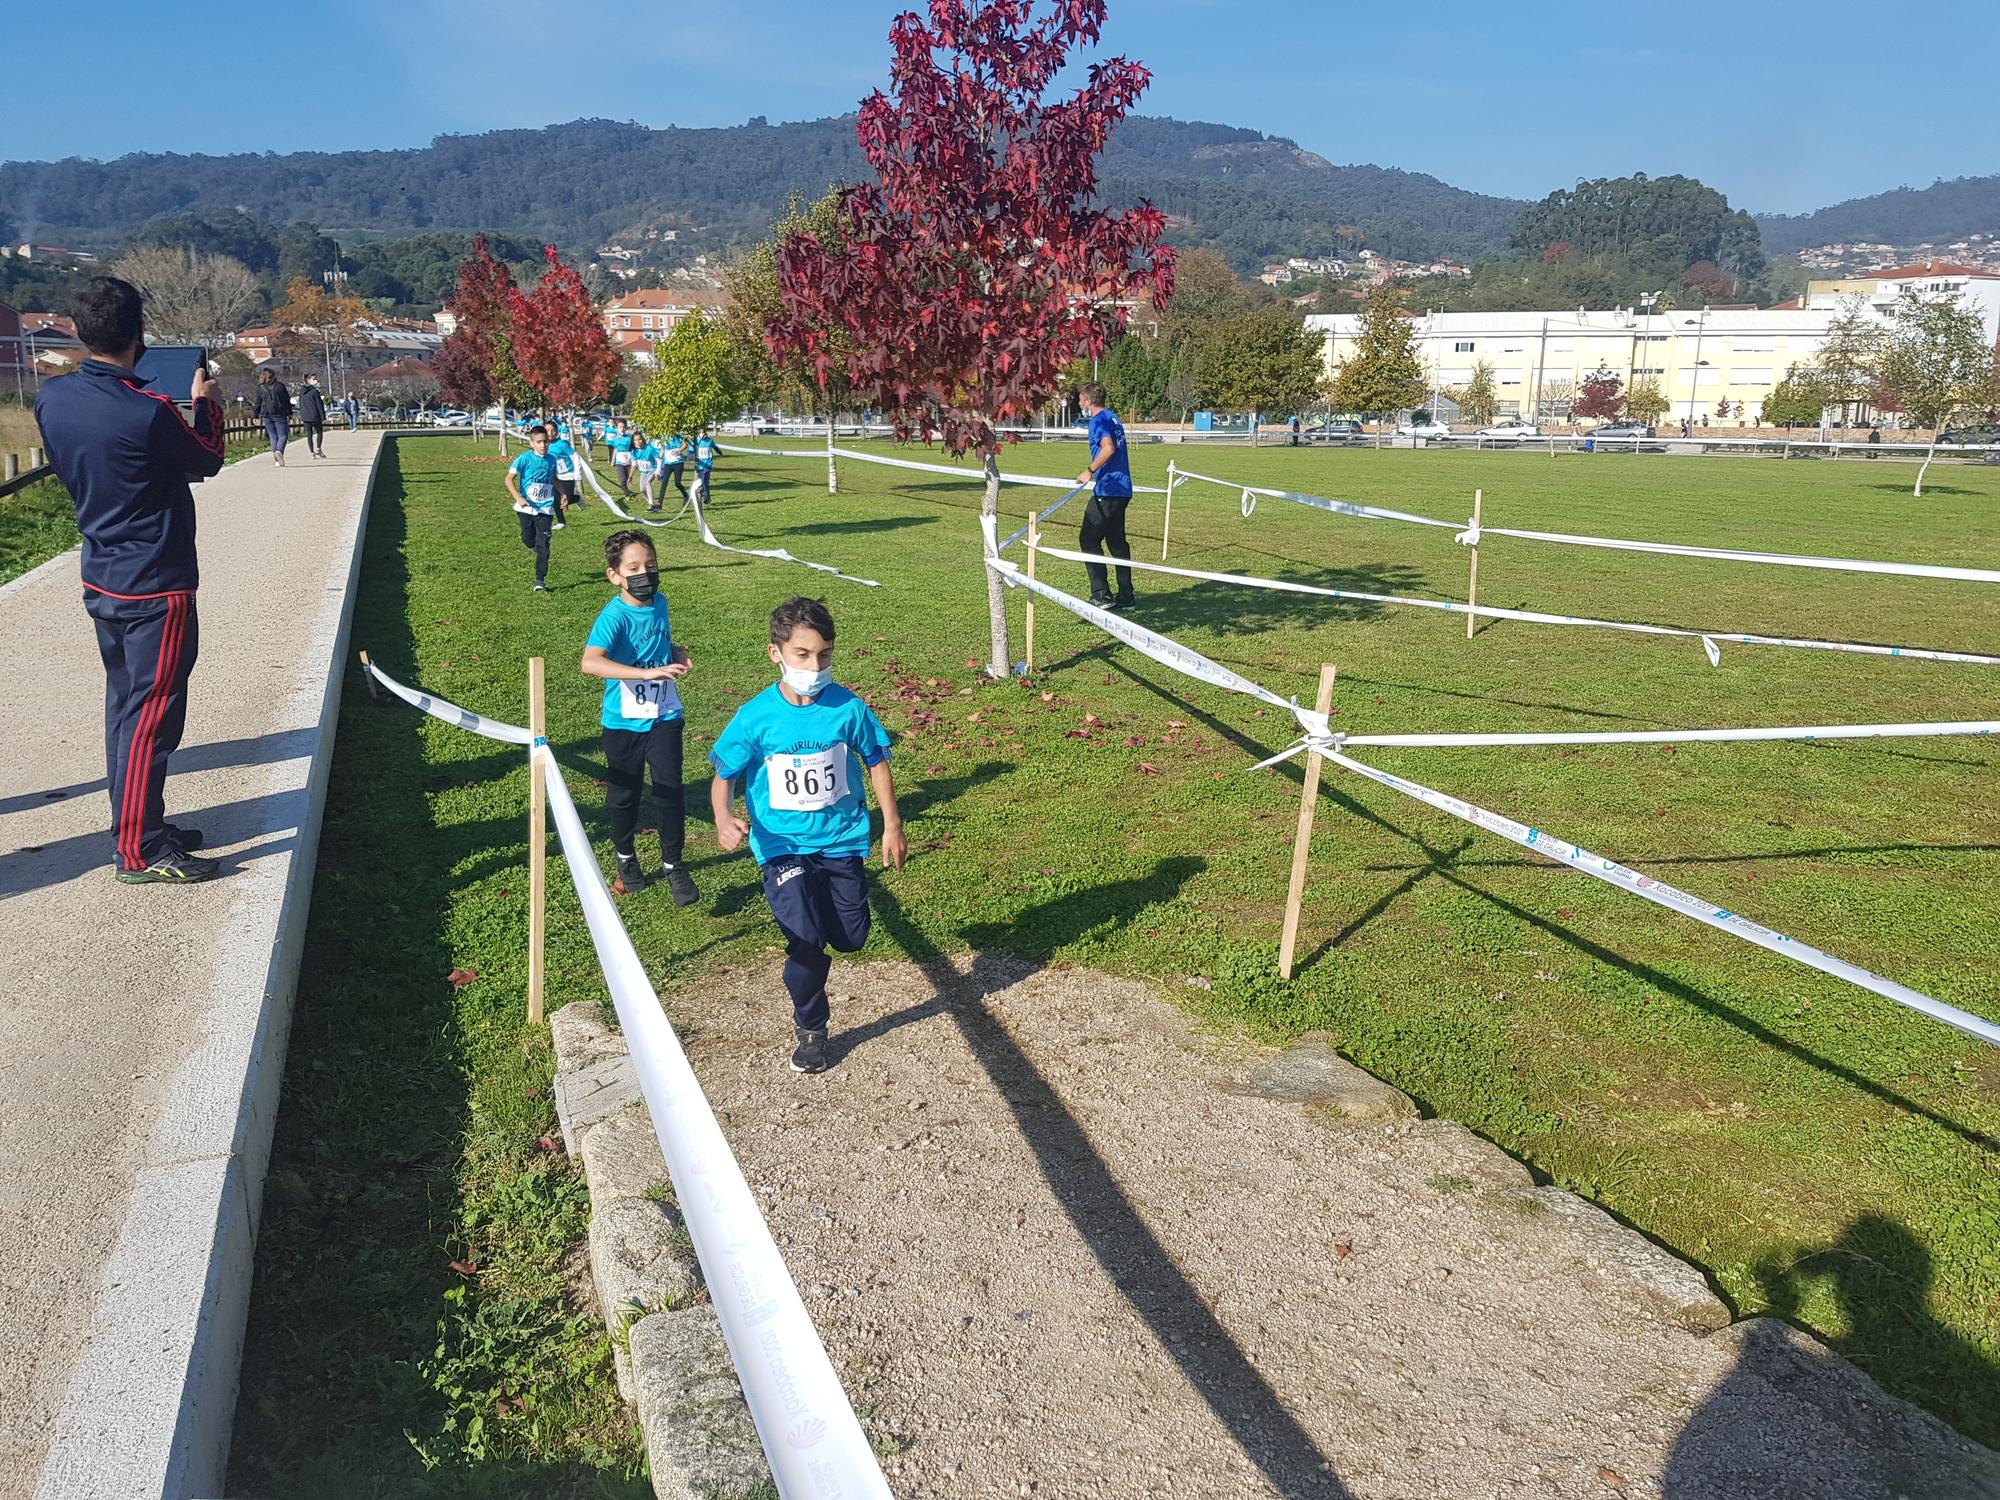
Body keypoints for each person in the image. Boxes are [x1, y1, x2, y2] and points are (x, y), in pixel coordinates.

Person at [34, 275, 227, 883]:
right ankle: (139, 848)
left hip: (104, 572)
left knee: (125, 707)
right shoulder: (149, 412)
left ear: (79, 330)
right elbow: (208, 457)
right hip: (157, 580)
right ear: (138, 334)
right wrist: (209, 401)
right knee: (153, 717)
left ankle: (139, 822)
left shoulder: (53, 397)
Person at [709, 596, 906, 1074]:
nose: (815, 666)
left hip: (841, 839)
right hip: (781, 845)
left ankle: (818, 941)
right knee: (805, 939)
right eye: (803, 654)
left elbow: (876, 762)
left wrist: (892, 825)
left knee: (851, 938)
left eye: (824, 655)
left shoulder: (848, 708)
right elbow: (724, 774)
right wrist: (723, 817)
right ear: (775, 652)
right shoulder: (756, 716)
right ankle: (812, 1029)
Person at [582, 530, 698, 903]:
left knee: (669, 790)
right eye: (633, 568)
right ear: (614, 575)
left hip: (664, 714)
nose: (644, 574)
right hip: (623, 721)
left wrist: (675, 653)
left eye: (650, 565)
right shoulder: (613, 616)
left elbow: (658, 642)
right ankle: (626, 857)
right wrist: (645, 674)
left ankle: (674, 865)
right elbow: (591, 662)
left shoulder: (659, 602)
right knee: (624, 794)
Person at [1074, 381, 1135, 610]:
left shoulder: (1098, 420)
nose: (1079, 402)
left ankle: (1101, 595)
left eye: (1081, 399)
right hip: (1122, 489)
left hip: (1108, 489)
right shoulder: (1113, 417)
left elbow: (1108, 448)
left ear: (1088, 401)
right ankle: (1126, 596)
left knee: (1088, 540)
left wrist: (1089, 471)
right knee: (1117, 542)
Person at [507, 425, 560, 591]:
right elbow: (509, 479)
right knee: (528, 539)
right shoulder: (524, 459)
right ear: (531, 443)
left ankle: (539, 580)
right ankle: (534, 544)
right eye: (539, 442)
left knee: (543, 545)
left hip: (545, 509)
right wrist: (518, 497)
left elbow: (554, 480)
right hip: (526, 508)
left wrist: (563, 495)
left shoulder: (552, 460)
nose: (543, 445)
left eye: (545, 442)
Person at [254, 367, 293, 466]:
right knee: (283, 435)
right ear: (273, 375)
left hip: (265, 414)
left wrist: (256, 416)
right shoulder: (280, 386)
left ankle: (276, 460)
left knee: (273, 436)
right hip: (279, 413)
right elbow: (286, 400)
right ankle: (279, 451)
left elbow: (257, 403)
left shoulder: (260, 387)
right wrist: (289, 412)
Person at [545, 421, 582, 519]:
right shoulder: (544, 445)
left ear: (557, 433)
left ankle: (577, 498)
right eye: (547, 430)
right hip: (554, 476)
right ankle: (561, 522)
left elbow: (575, 456)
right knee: (555, 500)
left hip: (567, 474)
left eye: (553, 430)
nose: (550, 433)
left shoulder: (562, 444)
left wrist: (577, 474)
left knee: (567, 500)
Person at [297, 374, 327, 458]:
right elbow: (319, 405)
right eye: (314, 379)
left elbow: (300, 404)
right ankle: (318, 448)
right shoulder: (314, 391)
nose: (315, 380)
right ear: (308, 379)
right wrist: (323, 417)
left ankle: (311, 452)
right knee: (319, 432)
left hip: (305, 416)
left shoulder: (301, 392)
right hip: (315, 415)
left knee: (309, 435)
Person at [632, 429, 661, 511]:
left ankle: (651, 504)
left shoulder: (649, 448)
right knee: (642, 489)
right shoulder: (634, 451)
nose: (638, 442)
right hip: (643, 472)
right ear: (633, 442)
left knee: (648, 483)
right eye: (636, 440)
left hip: (653, 469)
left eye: (639, 439)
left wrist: (658, 471)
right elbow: (634, 464)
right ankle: (652, 505)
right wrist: (630, 476)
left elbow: (659, 459)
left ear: (643, 439)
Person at [659, 429, 690, 501]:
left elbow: (685, 445)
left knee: (678, 483)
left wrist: (678, 450)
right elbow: (662, 449)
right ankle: (659, 503)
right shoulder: (664, 437)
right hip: (668, 464)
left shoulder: (679, 436)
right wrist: (659, 458)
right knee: (664, 482)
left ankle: (685, 495)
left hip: (678, 463)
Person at [608, 418, 636, 496]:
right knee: (622, 479)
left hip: (628, 460)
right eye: (620, 427)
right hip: (619, 461)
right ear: (617, 428)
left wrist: (632, 459)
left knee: (627, 478)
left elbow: (632, 448)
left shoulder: (629, 438)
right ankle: (626, 493)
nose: (622, 429)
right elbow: (615, 450)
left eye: (623, 427)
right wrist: (612, 461)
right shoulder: (615, 439)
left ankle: (627, 491)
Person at [692, 428, 718, 504]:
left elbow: (715, 447)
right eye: (701, 433)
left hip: (708, 464)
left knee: (704, 480)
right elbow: (691, 451)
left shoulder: (709, 440)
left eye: (704, 433)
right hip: (699, 465)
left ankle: (706, 497)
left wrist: (719, 451)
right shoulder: (696, 441)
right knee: (703, 482)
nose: (703, 434)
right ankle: (707, 496)